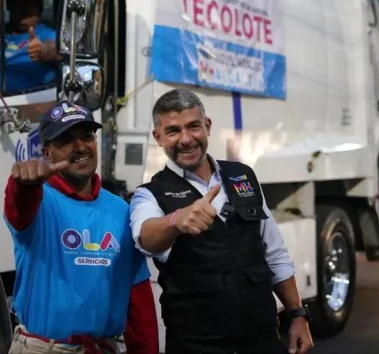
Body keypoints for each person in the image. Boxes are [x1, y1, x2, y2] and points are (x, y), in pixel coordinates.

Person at [129, 89, 313, 354]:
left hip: (262, 340)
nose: (186, 139)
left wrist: (297, 314)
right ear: (158, 138)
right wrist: (175, 221)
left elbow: (274, 254)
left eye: (193, 126)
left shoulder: (243, 176)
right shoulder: (149, 194)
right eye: (173, 131)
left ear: (208, 126)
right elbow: (145, 236)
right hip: (196, 345)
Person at [4, 100, 159, 354]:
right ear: (47, 153)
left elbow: (137, 293)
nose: (80, 147)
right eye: (66, 140)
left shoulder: (121, 210)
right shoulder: (38, 200)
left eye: (87, 136)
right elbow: (18, 209)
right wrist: (23, 184)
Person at [0, 0, 60, 95]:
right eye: (19, 4)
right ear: (9, 5)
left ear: (40, 9)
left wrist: (44, 50)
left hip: (24, 99)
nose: (24, 12)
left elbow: (60, 52)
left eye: (30, 7)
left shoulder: (47, 34)